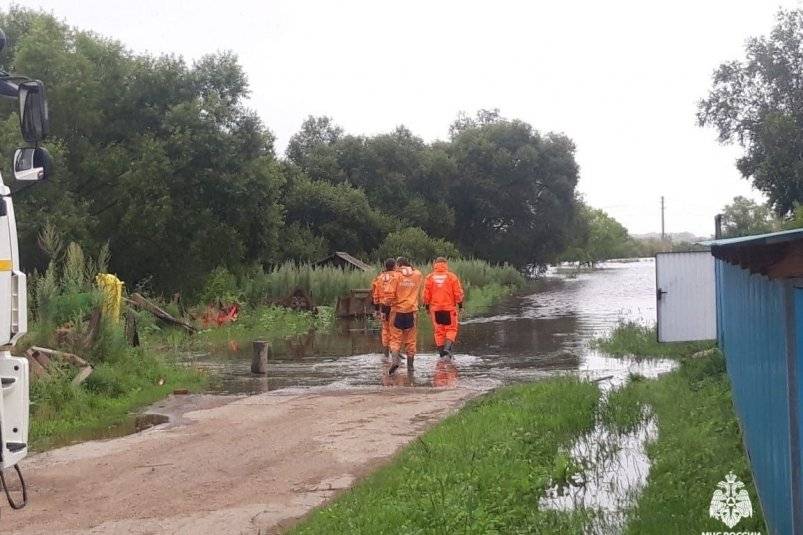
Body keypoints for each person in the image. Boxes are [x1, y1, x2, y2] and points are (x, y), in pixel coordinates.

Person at [422, 257, 464, 359]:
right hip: (449, 309)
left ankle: (441, 354)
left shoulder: (429, 277)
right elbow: (458, 293)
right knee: (451, 329)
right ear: (445, 264)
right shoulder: (451, 277)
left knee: (439, 331)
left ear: (435, 264)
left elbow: (426, 295)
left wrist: (427, 307)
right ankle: (447, 348)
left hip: (435, 309)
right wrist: (460, 305)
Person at [387, 257, 423, 375]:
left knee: (395, 339)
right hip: (411, 311)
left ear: (398, 265)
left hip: (397, 311)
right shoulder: (417, 275)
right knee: (411, 340)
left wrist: (388, 303)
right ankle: (410, 368)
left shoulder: (396, 276)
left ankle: (395, 360)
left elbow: (389, 294)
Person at [371, 258, 397, 359]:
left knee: (385, 330)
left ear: (385, 267)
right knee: (395, 330)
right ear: (394, 266)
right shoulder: (397, 276)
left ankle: (386, 354)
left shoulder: (379, 278)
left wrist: (377, 310)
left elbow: (375, 296)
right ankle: (395, 353)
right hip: (395, 306)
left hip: (383, 307)